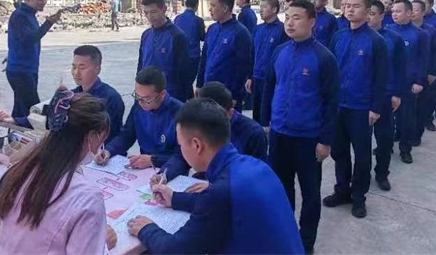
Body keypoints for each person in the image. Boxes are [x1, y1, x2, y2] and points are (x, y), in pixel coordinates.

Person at [127, 98, 304, 254]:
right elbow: (220, 205)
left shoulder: (220, 192)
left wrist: (146, 229)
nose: (181, 150)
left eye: (181, 145)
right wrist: (174, 198)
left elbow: (176, 250)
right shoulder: (256, 167)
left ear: (197, 145)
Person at [261, 0, 339, 252]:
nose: (290, 23)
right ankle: (285, 236)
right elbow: (269, 89)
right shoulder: (279, 52)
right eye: (288, 17)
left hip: (308, 138)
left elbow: (331, 102)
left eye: (297, 18)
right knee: (281, 190)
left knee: (310, 193)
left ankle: (306, 243)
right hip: (279, 134)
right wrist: (266, 123)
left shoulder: (323, 57)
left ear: (312, 22)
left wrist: (325, 141)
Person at [0, 91, 112, 254]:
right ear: (92, 137)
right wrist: (104, 244)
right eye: (102, 139)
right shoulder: (86, 197)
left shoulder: (17, 173)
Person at [323, 0, 387, 218]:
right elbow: (330, 71)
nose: (350, 9)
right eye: (347, 5)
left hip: (361, 108)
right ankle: (342, 191)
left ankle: (359, 197)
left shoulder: (376, 41)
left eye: (356, 6)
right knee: (339, 152)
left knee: (361, 156)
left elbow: (381, 78)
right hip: (338, 106)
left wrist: (375, 108)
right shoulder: (338, 37)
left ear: (368, 11)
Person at [96, 67, 189, 181]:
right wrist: (108, 150)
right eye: (137, 97)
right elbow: (126, 135)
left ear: (162, 94)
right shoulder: (139, 106)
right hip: (143, 168)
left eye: (146, 98)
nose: (141, 102)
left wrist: (153, 161)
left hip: (171, 172)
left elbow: (183, 157)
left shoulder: (182, 114)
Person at [6, 0, 62, 127]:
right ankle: (32, 139)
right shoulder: (20, 16)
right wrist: (48, 23)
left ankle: (14, 137)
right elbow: (29, 39)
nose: (43, 2)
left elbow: (18, 41)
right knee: (34, 112)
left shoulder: (29, 15)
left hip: (26, 68)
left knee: (21, 110)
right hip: (21, 71)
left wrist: (11, 54)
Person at [367, 0, 406, 191]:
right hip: (361, 96)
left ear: (382, 16)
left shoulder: (393, 39)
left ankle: (382, 174)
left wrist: (397, 93)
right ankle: (361, 175)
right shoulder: (354, 37)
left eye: (372, 14)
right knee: (360, 142)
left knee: (384, 138)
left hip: (385, 95)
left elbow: (400, 68)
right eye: (366, 13)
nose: (368, 17)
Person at [387, 0, 429, 164]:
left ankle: (405, 149)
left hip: (408, 83)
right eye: (393, 11)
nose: (394, 14)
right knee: (386, 118)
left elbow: (423, 60)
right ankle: (386, 146)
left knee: (406, 119)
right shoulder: (387, 31)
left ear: (409, 13)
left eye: (398, 11)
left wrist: (419, 81)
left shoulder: (419, 34)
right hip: (388, 82)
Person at [196, 0, 253, 111]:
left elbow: (243, 68)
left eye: (213, 6)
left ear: (225, 8)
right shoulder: (212, 29)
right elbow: (204, 58)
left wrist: (235, 95)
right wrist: (199, 84)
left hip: (227, 95)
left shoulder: (240, 33)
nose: (210, 9)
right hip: (208, 90)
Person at [138, 0, 192, 102]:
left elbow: (184, 74)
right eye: (146, 13)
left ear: (164, 9)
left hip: (170, 97)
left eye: (153, 12)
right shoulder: (146, 35)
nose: (149, 16)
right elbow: (140, 66)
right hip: (147, 97)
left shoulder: (177, 36)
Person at [245, 0, 288, 123]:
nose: (261, 10)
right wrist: (249, 77)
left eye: (264, 7)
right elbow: (252, 53)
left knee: (269, 113)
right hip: (256, 77)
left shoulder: (282, 30)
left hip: (273, 80)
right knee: (256, 113)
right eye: (260, 7)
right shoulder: (258, 29)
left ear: (274, 9)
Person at [200, 81, 267, 162]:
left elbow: (258, 167)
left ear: (230, 112)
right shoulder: (196, 124)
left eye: (215, 118)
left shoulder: (253, 134)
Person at [70, 45, 125, 144]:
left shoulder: (110, 98)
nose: (76, 73)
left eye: (82, 67)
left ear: (97, 69)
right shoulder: (71, 96)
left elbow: (110, 136)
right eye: (74, 67)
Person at [411, 0, 436, 138]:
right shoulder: (401, 30)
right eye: (410, 9)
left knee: (421, 104)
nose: (412, 12)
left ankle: (418, 133)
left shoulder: (430, 31)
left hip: (424, 73)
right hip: (406, 75)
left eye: (416, 10)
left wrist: (433, 72)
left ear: (423, 12)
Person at [174, 0, 205, 87]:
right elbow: (203, 37)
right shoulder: (198, 20)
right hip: (193, 56)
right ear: (197, 5)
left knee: (182, 82)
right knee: (189, 82)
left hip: (179, 55)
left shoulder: (177, 19)